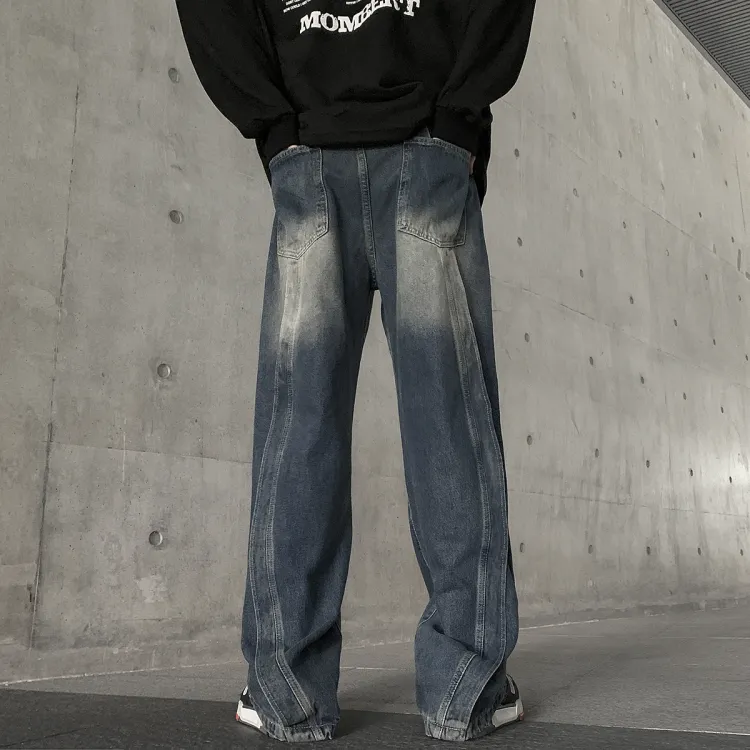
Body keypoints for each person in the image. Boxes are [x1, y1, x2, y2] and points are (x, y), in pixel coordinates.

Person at [175, 0, 536, 741]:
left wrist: (274, 122)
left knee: (298, 431)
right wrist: (459, 112)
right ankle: (465, 690)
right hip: (428, 144)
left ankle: (288, 692)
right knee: (451, 428)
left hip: (313, 147)